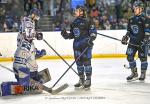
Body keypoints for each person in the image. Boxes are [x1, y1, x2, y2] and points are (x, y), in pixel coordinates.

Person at [0, 8, 47, 96]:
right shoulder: (27, 25)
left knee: (41, 78)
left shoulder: (28, 41)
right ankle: (6, 88)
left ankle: (30, 83)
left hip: (26, 64)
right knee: (26, 88)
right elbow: (20, 62)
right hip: (21, 66)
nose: (38, 17)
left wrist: (38, 53)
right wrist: (24, 76)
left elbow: (30, 51)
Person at [61, 5, 97, 89]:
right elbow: (72, 35)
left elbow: (93, 32)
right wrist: (66, 35)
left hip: (86, 45)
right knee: (79, 63)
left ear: (82, 12)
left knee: (86, 62)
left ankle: (88, 79)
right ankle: (81, 79)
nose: (75, 12)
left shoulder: (88, 21)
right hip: (76, 46)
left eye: (77, 11)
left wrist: (91, 39)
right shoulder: (74, 23)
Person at [121, 0, 150, 81]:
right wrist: (126, 37)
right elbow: (129, 31)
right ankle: (134, 73)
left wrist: (145, 40)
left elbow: (147, 32)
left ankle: (143, 73)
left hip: (142, 42)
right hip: (133, 42)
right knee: (129, 57)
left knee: (143, 58)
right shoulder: (131, 19)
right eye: (134, 8)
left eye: (136, 8)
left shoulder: (146, 19)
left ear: (141, 9)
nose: (134, 9)